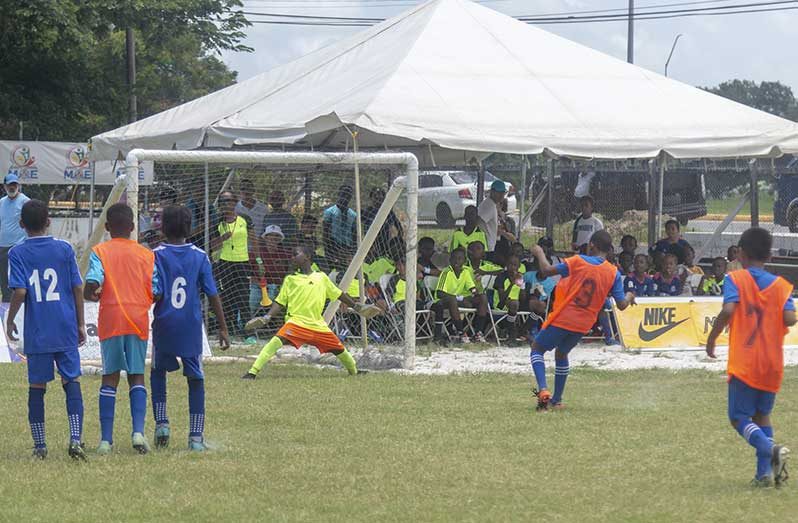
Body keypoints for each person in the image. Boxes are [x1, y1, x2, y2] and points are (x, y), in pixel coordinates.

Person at [706, 227, 793, 487]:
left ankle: (770, 448)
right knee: (762, 416)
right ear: (769, 255)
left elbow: (729, 309)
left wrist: (712, 337)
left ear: (740, 253)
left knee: (738, 417)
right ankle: (763, 475)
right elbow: (790, 318)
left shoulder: (736, 279)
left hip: (746, 361)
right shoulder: (781, 285)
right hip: (772, 362)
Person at [5, 200, 86, 460]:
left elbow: (20, 290)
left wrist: (10, 318)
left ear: (21, 225)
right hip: (64, 326)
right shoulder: (64, 249)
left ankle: (40, 446)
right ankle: (75, 440)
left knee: (37, 386)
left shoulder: (16, 253)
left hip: (38, 330)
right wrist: (81, 323)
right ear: (49, 221)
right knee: (71, 380)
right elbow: (77, 287)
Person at [151, 205, 231, 451]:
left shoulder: (155, 255)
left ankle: (162, 423)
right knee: (195, 378)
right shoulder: (199, 256)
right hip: (190, 326)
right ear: (189, 228)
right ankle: (195, 438)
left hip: (164, 323)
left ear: (163, 228)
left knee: (157, 372)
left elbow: (154, 291)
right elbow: (212, 293)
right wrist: (224, 328)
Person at [84, 203, 161, 455]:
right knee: (137, 375)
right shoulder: (146, 254)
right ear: (132, 227)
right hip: (138, 318)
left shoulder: (100, 251)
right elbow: (157, 290)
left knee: (110, 376)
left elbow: (93, 281)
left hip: (112, 318)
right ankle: (138, 432)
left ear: (106, 228)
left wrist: (92, 293)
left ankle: (106, 441)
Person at [528, 230, 635, 411]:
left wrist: (538, 252)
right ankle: (557, 400)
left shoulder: (578, 261)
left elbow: (546, 271)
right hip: (584, 323)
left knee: (537, 349)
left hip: (565, 316)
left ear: (591, 245)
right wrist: (630, 295)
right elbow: (622, 305)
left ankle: (544, 390)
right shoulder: (614, 273)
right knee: (562, 353)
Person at [241, 245, 369, 379]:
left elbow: (339, 294)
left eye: (296, 254)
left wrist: (357, 307)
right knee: (275, 342)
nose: (292, 257)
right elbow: (280, 302)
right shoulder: (290, 279)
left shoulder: (321, 277)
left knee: (340, 349)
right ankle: (252, 372)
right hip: (296, 323)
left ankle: (354, 371)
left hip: (318, 326)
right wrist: (268, 316)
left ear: (307, 257)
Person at [431, 249, 489, 345]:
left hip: (458, 300)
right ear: (450, 260)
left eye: (460, 259)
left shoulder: (465, 271)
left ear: (464, 261)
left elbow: (472, 288)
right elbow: (439, 293)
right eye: (454, 259)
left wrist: (475, 293)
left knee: (482, 297)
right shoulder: (446, 272)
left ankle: (478, 333)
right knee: (453, 299)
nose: (457, 261)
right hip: (445, 301)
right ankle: (461, 332)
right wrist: (460, 298)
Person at [213, 191, 251, 334]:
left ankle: (248, 331)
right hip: (224, 262)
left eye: (229, 201)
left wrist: (258, 261)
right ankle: (228, 328)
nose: (226, 204)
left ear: (235, 203)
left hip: (242, 262)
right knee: (226, 296)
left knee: (243, 296)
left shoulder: (244, 219)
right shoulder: (217, 221)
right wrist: (223, 238)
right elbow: (213, 245)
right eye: (223, 201)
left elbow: (254, 241)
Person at [0, 174, 31, 302]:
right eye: (10, 185)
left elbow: (31, 222)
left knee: (18, 277)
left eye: (15, 184)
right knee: (3, 276)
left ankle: (21, 301)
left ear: (18, 186)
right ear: (4, 186)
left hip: (19, 245)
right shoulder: (1, 202)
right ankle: (6, 301)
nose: (12, 187)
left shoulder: (26, 201)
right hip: (2, 245)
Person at [323, 186, 357, 271]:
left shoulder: (353, 214)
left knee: (346, 270)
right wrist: (327, 250)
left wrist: (353, 249)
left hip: (347, 247)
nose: (345, 197)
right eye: (343, 194)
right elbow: (325, 232)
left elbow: (354, 233)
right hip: (333, 246)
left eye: (348, 195)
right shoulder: (329, 212)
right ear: (339, 194)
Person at [493, 255, 525, 345]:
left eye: (515, 265)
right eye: (510, 264)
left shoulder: (519, 277)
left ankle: (523, 331)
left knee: (539, 305)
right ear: (506, 264)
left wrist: (522, 284)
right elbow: (502, 298)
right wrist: (512, 283)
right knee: (514, 303)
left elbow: (523, 298)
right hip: (501, 306)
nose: (512, 267)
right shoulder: (501, 277)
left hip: (515, 306)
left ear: (518, 267)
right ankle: (512, 335)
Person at [363, 186, 404, 256]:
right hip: (370, 246)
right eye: (375, 196)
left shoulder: (387, 212)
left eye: (380, 197)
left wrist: (397, 241)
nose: (378, 199)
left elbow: (399, 227)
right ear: (371, 198)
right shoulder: (368, 211)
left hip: (384, 246)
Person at [477, 180, 508, 253]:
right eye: (499, 192)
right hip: (486, 246)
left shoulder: (491, 204)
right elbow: (478, 221)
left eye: (503, 193)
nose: (501, 195)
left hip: (487, 245)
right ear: (492, 192)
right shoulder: (489, 205)